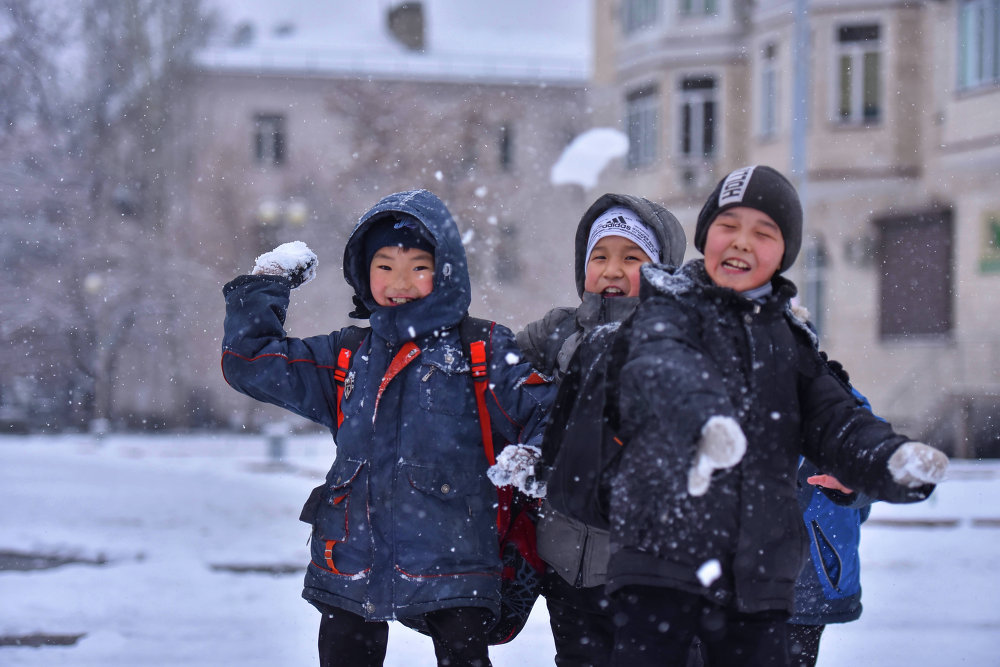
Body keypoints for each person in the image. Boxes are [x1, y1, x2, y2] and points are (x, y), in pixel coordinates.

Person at [603, 165, 949, 666]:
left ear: (783, 253)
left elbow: (837, 417)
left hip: (757, 577)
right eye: (728, 226)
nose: (742, 242)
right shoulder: (665, 312)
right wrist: (704, 422)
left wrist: (889, 459)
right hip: (662, 566)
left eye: (762, 232)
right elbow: (660, 369)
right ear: (705, 237)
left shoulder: (788, 342)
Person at [221, 189, 555, 667]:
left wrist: (535, 458)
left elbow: (547, 408)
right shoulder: (347, 356)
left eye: (418, 266)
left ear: (445, 272)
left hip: (455, 559)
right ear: (364, 272)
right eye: (385, 266)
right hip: (351, 557)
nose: (400, 281)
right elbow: (250, 363)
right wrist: (264, 286)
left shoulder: (480, 350)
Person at [512, 194, 686, 666]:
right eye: (599, 256)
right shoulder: (558, 333)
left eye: (632, 257)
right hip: (567, 563)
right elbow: (495, 374)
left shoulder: (681, 339)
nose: (612, 270)